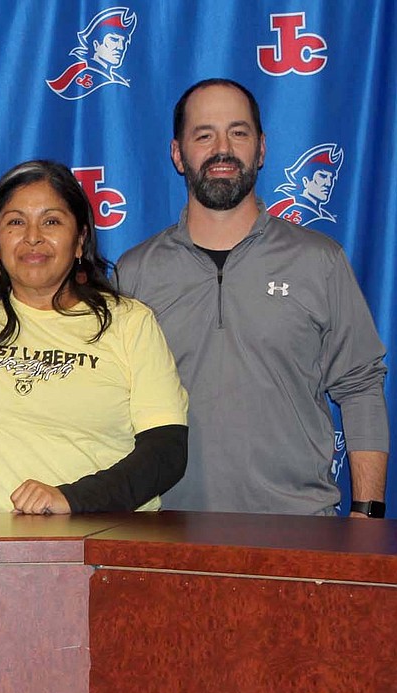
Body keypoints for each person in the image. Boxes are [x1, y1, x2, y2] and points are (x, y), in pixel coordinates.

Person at [115, 79, 389, 516]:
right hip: (164, 532)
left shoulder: (320, 261)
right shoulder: (135, 273)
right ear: (177, 153)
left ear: (261, 149)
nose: (222, 149)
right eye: (204, 135)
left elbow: (360, 386)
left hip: (300, 532)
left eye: (238, 133)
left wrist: (368, 510)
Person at [0, 160, 188, 515]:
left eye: (51, 221)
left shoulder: (130, 323)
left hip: (109, 543)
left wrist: (72, 499)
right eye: (16, 222)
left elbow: (166, 451)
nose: (33, 237)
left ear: (80, 240)